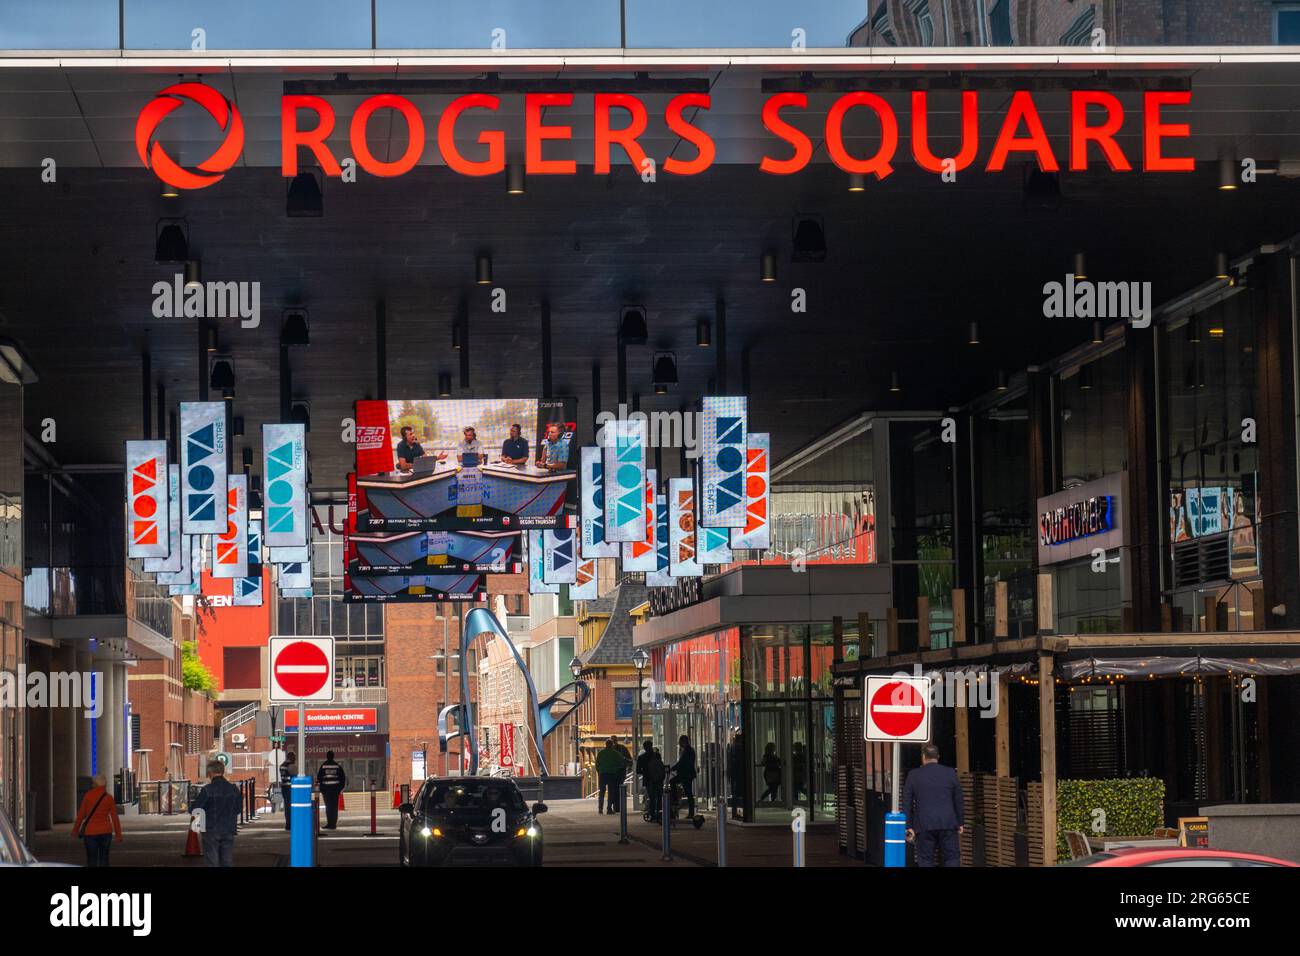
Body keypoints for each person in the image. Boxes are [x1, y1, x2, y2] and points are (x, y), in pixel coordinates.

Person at [902, 743, 965, 867]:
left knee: (925, 860)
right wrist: (960, 822)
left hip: (924, 824)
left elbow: (907, 802)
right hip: (948, 823)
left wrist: (908, 826)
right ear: (938, 757)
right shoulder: (950, 773)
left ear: (923, 757)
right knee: (952, 858)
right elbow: (958, 799)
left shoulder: (913, 775)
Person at [193, 759, 242, 867]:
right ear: (222, 772)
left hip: (210, 830)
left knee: (212, 861)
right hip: (229, 829)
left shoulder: (207, 790)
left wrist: (196, 827)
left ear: (209, 773)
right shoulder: (234, 789)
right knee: (227, 861)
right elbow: (238, 809)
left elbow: (196, 809)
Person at [71, 773, 121, 867]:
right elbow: (115, 817)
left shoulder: (88, 796)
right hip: (106, 832)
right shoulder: (109, 798)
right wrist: (118, 835)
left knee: (91, 860)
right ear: (105, 785)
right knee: (104, 859)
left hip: (90, 833)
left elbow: (81, 815)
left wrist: (75, 831)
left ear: (94, 784)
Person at [316, 750, 348, 830]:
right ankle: (333, 824)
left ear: (327, 756)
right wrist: (340, 788)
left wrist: (322, 789)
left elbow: (319, 778)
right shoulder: (337, 766)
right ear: (333, 756)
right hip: (335, 790)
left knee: (328, 807)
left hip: (326, 790)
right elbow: (343, 778)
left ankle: (329, 823)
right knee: (334, 807)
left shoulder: (323, 766)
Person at [595, 737, 627, 815]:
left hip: (602, 774)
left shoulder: (601, 753)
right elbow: (622, 763)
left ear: (605, 745)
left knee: (601, 792)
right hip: (612, 774)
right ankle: (609, 809)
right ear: (612, 745)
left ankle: (600, 809)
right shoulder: (616, 753)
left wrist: (599, 772)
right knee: (611, 792)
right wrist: (616, 768)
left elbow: (597, 764)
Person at [636, 739, 666, 822]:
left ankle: (652, 815)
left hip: (649, 779)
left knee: (652, 798)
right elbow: (661, 766)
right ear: (651, 746)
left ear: (644, 748)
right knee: (659, 797)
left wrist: (646, 771)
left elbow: (638, 770)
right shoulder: (657, 755)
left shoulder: (641, 757)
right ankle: (660, 814)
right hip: (658, 779)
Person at [670, 734, 697, 818]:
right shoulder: (688, 750)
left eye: (680, 742)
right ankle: (676, 800)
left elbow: (682, 763)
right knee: (688, 793)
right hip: (686, 774)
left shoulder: (687, 751)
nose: (679, 743)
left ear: (684, 741)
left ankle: (676, 800)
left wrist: (673, 768)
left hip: (686, 775)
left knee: (688, 793)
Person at [279, 751, 297, 830]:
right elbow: (296, 777)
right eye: (294, 757)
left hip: (284, 788)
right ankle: (291, 824)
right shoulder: (291, 766)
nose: (295, 759)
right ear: (291, 757)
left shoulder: (282, 765)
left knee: (287, 807)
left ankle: (288, 824)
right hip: (291, 789)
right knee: (291, 807)